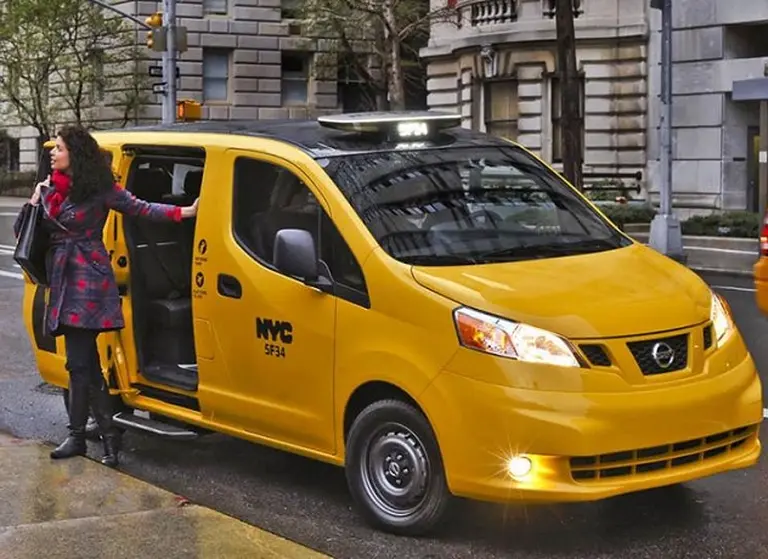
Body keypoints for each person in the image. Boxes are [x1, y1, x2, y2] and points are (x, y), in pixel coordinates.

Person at [14, 125, 199, 468]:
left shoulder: (100, 190)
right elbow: (23, 233)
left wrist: (184, 212)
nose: (52, 152)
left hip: (89, 279)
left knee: (79, 363)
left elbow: (141, 209)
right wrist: (36, 198)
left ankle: (79, 437)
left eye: (59, 147)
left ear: (76, 154)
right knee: (85, 366)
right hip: (62, 279)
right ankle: (106, 437)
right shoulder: (51, 189)